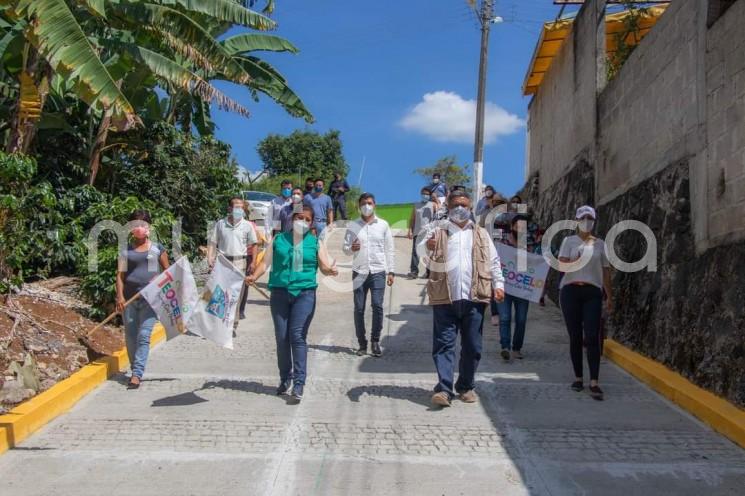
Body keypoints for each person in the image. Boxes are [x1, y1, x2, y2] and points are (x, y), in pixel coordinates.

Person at [420, 190, 505, 407]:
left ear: (470, 208)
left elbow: (494, 261)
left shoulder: (481, 234)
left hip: (474, 297)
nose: (460, 208)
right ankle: (444, 389)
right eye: (456, 204)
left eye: (464, 205)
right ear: (448, 207)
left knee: (473, 346)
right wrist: (426, 245)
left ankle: (466, 386)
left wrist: (499, 285)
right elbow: (419, 248)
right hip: (444, 297)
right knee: (443, 345)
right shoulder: (437, 230)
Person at [246, 205, 339, 402]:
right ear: (291, 218)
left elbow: (323, 265)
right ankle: (284, 378)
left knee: (296, 336)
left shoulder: (315, 242)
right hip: (279, 292)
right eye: (298, 217)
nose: (302, 221)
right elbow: (265, 263)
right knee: (281, 338)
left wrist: (330, 270)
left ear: (311, 222)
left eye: (306, 219)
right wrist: (254, 276)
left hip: (304, 293)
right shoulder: (279, 240)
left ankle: (299, 382)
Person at [558, 205, 613, 401]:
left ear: (594, 220)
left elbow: (606, 271)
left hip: (592, 292)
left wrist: (610, 296)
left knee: (592, 336)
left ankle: (595, 381)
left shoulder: (600, 244)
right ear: (577, 220)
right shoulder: (568, 241)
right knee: (575, 336)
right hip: (571, 291)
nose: (586, 221)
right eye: (583, 217)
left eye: (590, 218)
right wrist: (576, 261)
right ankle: (578, 377)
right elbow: (561, 266)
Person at [116, 210, 170, 389]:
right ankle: (134, 368)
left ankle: (137, 374)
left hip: (151, 300)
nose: (139, 228)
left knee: (144, 335)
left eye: (142, 224)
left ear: (148, 227)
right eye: (135, 225)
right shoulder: (126, 250)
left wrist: (159, 280)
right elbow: (120, 276)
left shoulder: (157, 249)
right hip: (130, 300)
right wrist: (120, 296)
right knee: (131, 337)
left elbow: (168, 272)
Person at [343, 193, 395, 357]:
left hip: (378, 271)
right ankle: (362, 343)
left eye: (370, 203)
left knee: (377, 306)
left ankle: (375, 341)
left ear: (375, 205)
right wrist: (352, 248)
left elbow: (389, 249)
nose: (367, 206)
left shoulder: (384, 225)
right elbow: (345, 249)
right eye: (364, 203)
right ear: (359, 206)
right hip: (359, 271)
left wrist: (391, 271)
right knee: (359, 308)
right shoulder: (353, 225)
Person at [208, 196, 258, 329]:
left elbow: (254, 244)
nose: (239, 210)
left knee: (236, 294)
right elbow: (213, 242)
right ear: (229, 208)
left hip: (239, 261)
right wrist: (210, 258)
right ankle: (219, 322)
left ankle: (232, 324)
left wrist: (253, 262)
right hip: (223, 261)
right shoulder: (220, 224)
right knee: (220, 292)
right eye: (236, 207)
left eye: (241, 208)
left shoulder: (247, 225)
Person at [496, 215, 532, 361]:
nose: (520, 229)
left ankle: (517, 348)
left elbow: (537, 263)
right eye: (517, 226)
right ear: (512, 226)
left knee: (521, 319)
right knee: (504, 318)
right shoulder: (502, 241)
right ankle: (505, 346)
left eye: (523, 227)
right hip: (505, 285)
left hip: (522, 286)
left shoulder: (530, 242)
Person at [407, 187, 435, 279]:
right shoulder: (416, 205)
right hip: (417, 232)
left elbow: (438, 216)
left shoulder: (433, 205)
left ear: (430, 195)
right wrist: (410, 230)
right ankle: (414, 272)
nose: (425, 195)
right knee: (415, 253)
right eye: (423, 193)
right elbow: (412, 219)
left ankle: (429, 272)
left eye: (427, 194)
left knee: (428, 253)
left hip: (429, 233)